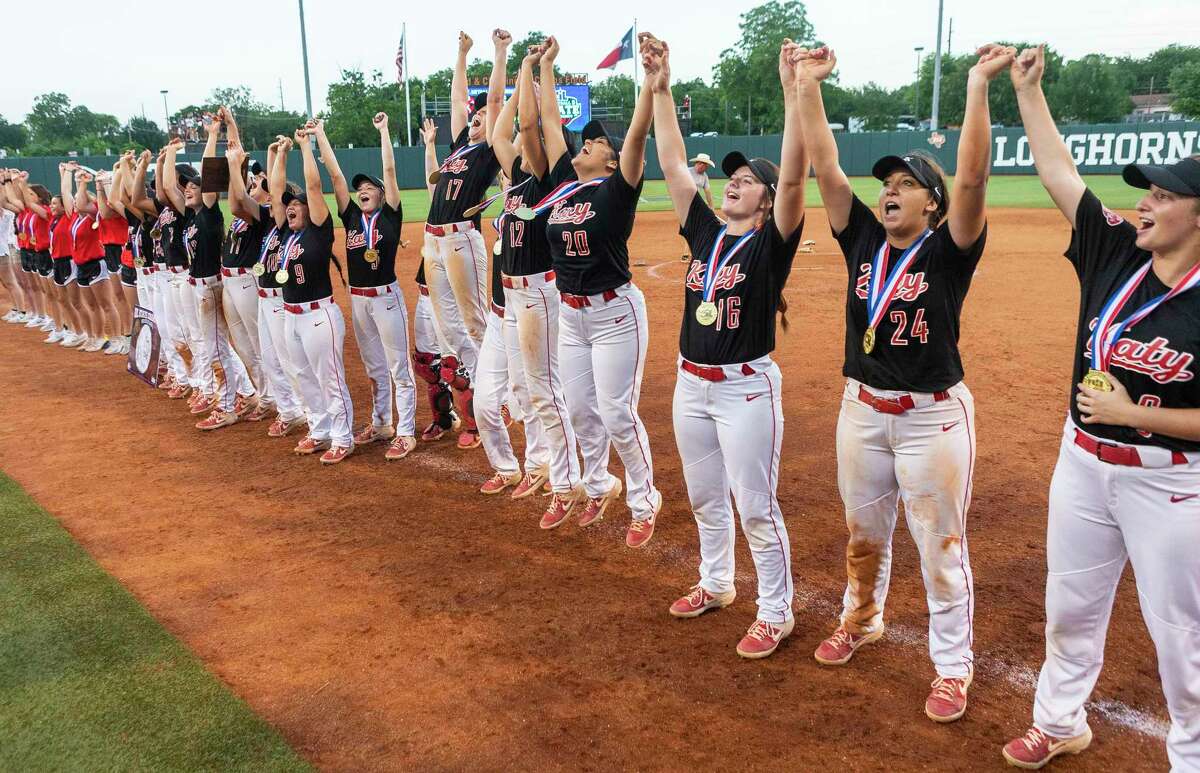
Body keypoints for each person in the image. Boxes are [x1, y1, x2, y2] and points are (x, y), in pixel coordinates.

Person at [794, 43, 1010, 720]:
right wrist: (807, 84)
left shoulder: (949, 249)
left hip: (931, 418)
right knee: (863, 533)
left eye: (907, 183)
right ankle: (861, 618)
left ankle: (952, 666)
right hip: (860, 408)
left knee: (941, 546)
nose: (889, 190)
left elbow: (972, 181)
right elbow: (825, 163)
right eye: (887, 182)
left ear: (933, 204)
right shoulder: (861, 238)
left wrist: (977, 85)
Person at [1001, 45, 1200, 771]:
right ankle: (1058, 720)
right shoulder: (1117, 250)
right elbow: (1059, 170)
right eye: (1145, 192)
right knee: (1071, 605)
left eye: (1164, 196)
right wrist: (1028, 92)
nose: (1144, 203)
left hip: (1172, 482)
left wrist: (1133, 413)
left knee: (1181, 636)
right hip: (1081, 463)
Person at [644, 34, 806, 659]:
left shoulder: (771, 244)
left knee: (755, 506)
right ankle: (716, 583)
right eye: (732, 177)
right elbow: (673, 160)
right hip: (691, 384)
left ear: (766, 202)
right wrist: (659, 85)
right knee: (706, 497)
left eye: (747, 181)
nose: (735, 183)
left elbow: (794, 177)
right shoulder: (707, 231)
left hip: (745, 388)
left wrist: (793, 93)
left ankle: (776, 610)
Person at [536, 36, 663, 546]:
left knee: (615, 412)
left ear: (613, 161)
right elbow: (549, 123)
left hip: (614, 314)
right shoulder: (567, 190)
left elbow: (634, 138)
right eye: (585, 140)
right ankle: (597, 485)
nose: (587, 142)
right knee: (582, 409)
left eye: (598, 142)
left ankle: (644, 499)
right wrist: (545, 66)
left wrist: (652, 87)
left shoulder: (616, 188)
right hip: (571, 316)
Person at [481, 42, 583, 509]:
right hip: (512, 298)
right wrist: (521, 68)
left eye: (530, 142)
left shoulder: (548, 178)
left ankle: (566, 481)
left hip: (540, 293)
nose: (521, 144)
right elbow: (500, 132)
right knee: (526, 388)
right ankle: (541, 464)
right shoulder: (519, 180)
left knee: (544, 389)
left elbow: (524, 125)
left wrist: (537, 70)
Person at [312, 113, 418, 461]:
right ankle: (382, 422)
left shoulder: (390, 215)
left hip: (386, 299)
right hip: (358, 301)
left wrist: (385, 131)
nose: (362, 191)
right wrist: (321, 135)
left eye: (368, 188)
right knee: (374, 368)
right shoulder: (352, 217)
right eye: (360, 190)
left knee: (398, 366)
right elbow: (336, 177)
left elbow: (390, 172)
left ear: (382, 194)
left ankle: (405, 432)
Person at [420, 30, 505, 450]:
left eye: (481, 117)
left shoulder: (490, 148)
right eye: (473, 118)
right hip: (433, 242)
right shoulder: (458, 148)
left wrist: (497, 52)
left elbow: (491, 103)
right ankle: (479, 390)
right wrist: (460, 53)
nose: (475, 119)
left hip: (460, 241)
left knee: (474, 321)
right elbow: (459, 101)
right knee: (448, 326)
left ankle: (498, 391)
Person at [161, 130, 257, 431]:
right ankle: (245, 395)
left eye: (194, 186)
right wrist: (170, 155)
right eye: (186, 186)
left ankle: (228, 405)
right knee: (217, 346)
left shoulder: (211, 214)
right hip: (200, 286)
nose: (188, 189)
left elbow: (208, 175)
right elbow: (166, 186)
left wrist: (214, 134)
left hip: (212, 287)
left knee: (216, 348)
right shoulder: (190, 217)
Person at [271, 129, 355, 464]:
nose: (291, 207)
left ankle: (342, 437)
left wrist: (306, 147)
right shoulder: (284, 233)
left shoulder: (319, 231)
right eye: (288, 206)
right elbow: (277, 190)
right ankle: (320, 430)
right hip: (291, 314)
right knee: (303, 376)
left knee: (329, 378)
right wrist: (280, 154)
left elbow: (314, 187)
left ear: (311, 210)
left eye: (297, 205)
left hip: (319, 316)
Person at [414, 117, 463, 445]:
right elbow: (434, 183)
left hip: (447, 296)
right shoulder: (439, 199)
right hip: (423, 292)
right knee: (427, 364)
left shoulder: (459, 208)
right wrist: (430, 145)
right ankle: (443, 419)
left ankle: (473, 426)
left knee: (454, 366)